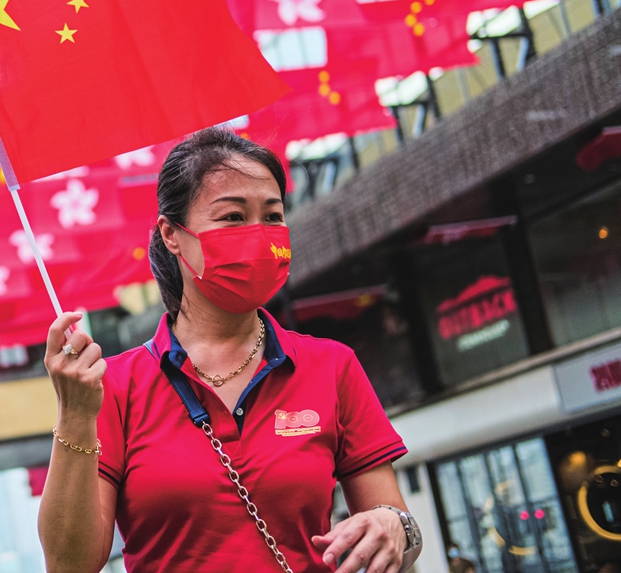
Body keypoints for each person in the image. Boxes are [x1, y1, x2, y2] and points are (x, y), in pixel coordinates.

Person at [37, 128, 423, 573]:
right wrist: (76, 415)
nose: (258, 234)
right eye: (233, 217)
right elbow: (69, 566)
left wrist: (395, 526)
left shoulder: (332, 366)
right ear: (172, 234)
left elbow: (397, 531)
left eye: (273, 216)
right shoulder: (112, 387)